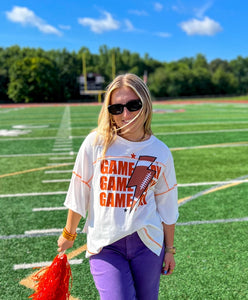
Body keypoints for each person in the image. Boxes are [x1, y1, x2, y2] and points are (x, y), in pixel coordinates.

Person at [57, 73, 179, 300]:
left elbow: (167, 205)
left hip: (148, 243)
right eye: (116, 108)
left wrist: (170, 250)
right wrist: (69, 233)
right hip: (106, 245)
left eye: (133, 105)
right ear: (109, 111)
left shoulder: (160, 151)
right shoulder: (95, 143)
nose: (126, 114)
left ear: (146, 104)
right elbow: (79, 191)